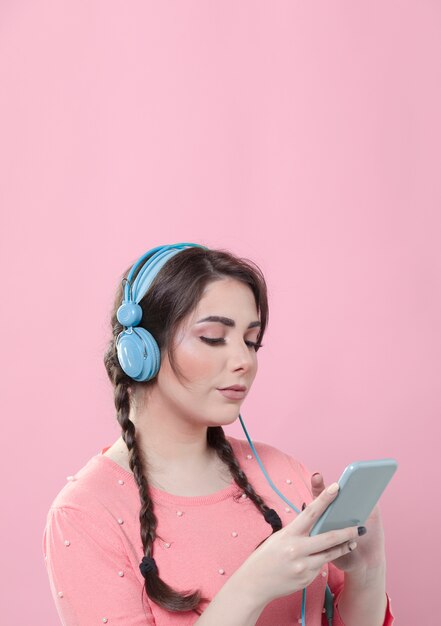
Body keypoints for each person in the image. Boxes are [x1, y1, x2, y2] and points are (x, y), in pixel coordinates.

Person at [42, 243, 394, 625]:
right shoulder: (84, 514)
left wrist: (369, 572)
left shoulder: (284, 475)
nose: (244, 361)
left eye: (251, 341)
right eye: (213, 337)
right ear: (141, 352)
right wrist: (251, 587)